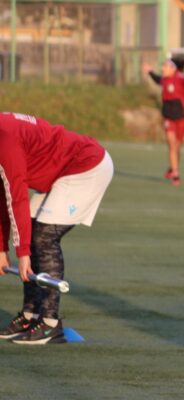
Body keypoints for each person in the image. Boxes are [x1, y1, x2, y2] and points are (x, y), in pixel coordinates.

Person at [0, 112, 113, 344]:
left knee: (42, 236)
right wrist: (2, 248)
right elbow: (2, 195)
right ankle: (30, 315)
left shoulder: (5, 140)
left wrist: (22, 253)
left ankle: (51, 324)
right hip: (63, 172)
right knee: (32, 231)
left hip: (87, 166)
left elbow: (17, 197)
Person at [145, 56, 184, 187]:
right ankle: (176, 174)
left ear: (173, 68)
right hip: (168, 117)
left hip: (182, 117)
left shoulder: (180, 79)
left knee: (177, 146)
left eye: (166, 66)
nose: (163, 68)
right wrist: (150, 71)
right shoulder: (164, 80)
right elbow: (157, 79)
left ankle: (172, 168)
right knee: (172, 144)